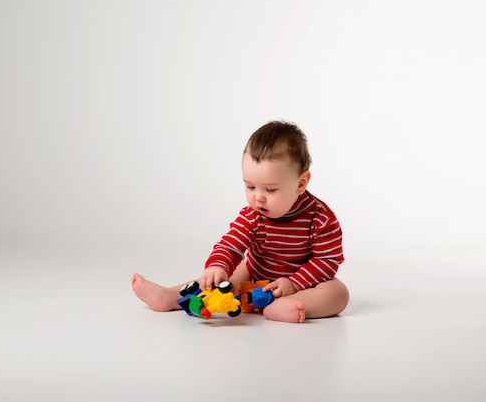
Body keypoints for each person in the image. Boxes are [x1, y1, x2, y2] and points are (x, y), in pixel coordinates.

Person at [132, 120, 349, 323]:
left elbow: (327, 260)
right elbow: (231, 244)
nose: (258, 197)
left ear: (301, 183)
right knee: (222, 280)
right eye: (250, 186)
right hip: (255, 275)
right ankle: (170, 297)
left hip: (302, 284)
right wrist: (218, 265)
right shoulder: (252, 215)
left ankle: (289, 305)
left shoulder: (320, 218)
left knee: (338, 293)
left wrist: (294, 284)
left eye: (270, 189)